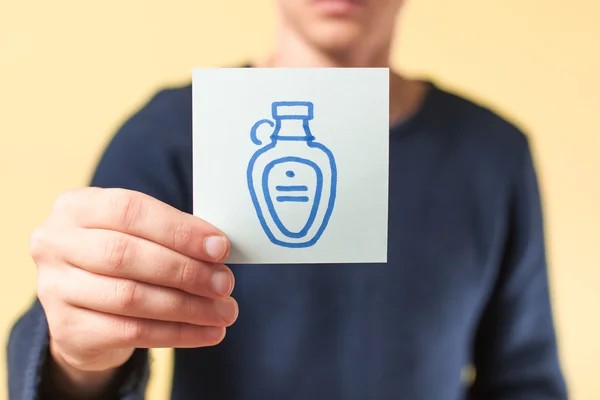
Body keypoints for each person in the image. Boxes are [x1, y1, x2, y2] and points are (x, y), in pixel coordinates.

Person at [7, 0, 568, 399]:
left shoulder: (493, 154)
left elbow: (523, 377)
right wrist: (76, 360)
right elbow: (82, 346)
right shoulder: (173, 134)